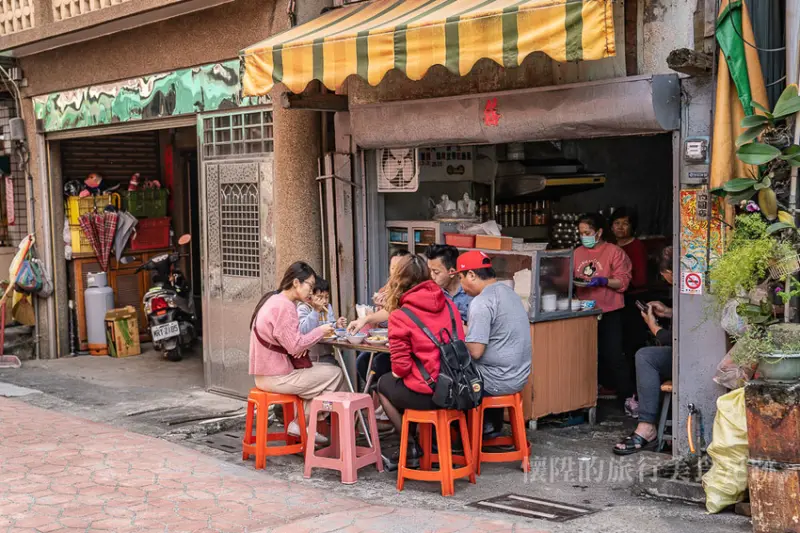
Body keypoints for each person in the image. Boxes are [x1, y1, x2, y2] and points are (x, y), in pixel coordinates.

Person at [376, 254, 466, 470]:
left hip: (433, 395)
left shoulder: (400, 315)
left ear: (400, 280)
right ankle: (421, 443)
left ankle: (410, 446)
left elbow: (401, 368)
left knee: (382, 384)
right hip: (458, 388)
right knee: (411, 383)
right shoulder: (449, 305)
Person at [249, 262, 343, 444]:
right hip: (276, 377)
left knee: (323, 372)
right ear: (296, 283)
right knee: (335, 373)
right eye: (310, 285)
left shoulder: (273, 299)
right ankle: (302, 423)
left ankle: (301, 424)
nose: (312, 290)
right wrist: (321, 331)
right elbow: (295, 347)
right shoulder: (285, 306)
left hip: (265, 374)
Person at [457, 250, 532, 437]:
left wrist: (455, 338)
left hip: (497, 379)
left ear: (472, 275)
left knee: (445, 374)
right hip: (519, 375)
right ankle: (489, 426)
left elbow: (475, 351)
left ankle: (456, 437)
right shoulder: (508, 292)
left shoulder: (482, 302)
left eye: (460, 277)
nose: (460, 284)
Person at [614, 246, 673, 455]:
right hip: (688, 354)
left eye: (664, 274)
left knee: (646, 357)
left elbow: (676, 340)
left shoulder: (689, 286)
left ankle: (647, 426)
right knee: (646, 355)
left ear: (670, 273)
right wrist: (668, 312)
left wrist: (652, 324)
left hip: (693, 357)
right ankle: (647, 425)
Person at [574, 213, 633, 400]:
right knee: (587, 356)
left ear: (599, 232)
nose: (584, 237)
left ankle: (628, 398)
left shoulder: (614, 252)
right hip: (584, 311)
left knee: (614, 355)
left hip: (609, 310)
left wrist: (604, 280)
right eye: (581, 233)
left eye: (588, 232)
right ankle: (589, 396)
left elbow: (623, 282)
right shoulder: (577, 253)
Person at [350, 249, 411, 384]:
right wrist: (373, 313)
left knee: (378, 364)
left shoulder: (411, 291)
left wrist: (380, 313)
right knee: (362, 361)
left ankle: (386, 397)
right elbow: (380, 325)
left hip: (406, 347)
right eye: (393, 268)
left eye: (400, 268)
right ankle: (378, 396)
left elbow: (396, 314)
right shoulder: (385, 291)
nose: (396, 273)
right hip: (384, 345)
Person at [610, 207, 651, 410]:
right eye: (617, 223)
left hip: (632, 300)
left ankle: (635, 392)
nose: (620, 227)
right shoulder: (609, 247)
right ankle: (620, 389)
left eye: (625, 223)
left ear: (632, 226)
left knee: (632, 346)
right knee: (616, 347)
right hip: (614, 302)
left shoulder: (637, 247)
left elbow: (641, 278)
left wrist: (618, 282)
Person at [297, 278, 347, 365]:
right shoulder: (303, 308)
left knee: (338, 367)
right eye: (320, 297)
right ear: (309, 296)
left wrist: (336, 325)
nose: (324, 301)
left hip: (327, 354)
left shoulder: (328, 307)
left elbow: (330, 326)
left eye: (326, 297)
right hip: (310, 357)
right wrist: (316, 311)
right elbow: (303, 331)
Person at [425, 244, 472, 324]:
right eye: (430, 271)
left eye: (436, 272)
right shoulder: (430, 293)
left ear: (452, 272)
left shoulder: (471, 294)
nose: (432, 276)